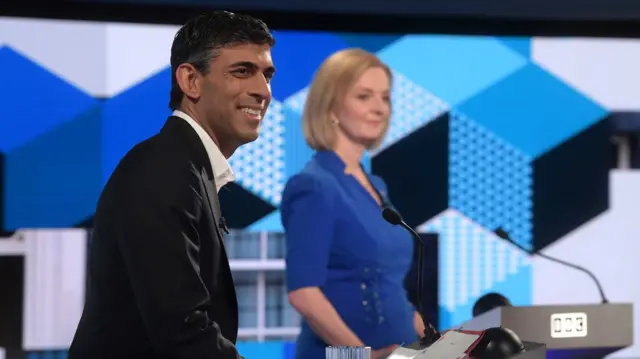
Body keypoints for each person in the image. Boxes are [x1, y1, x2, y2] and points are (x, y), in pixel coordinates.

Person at [68, 11, 276, 359]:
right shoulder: (162, 171)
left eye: (267, 75)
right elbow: (182, 331)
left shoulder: (186, 166)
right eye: (242, 71)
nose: (262, 90)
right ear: (190, 81)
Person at [281, 48, 424, 359]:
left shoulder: (377, 186)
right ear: (331, 105)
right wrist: (361, 356)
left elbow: (388, 285)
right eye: (364, 96)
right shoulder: (313, 186)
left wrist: (432, 338)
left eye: (385, 98)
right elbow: (303, 293)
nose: (379, 108)